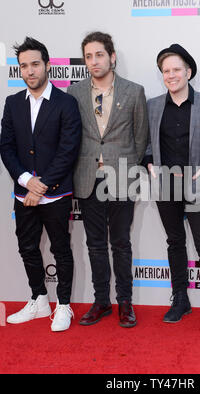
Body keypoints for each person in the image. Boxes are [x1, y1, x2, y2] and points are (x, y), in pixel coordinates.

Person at [0, 37, 82, 332]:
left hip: (56, 193)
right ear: (19, 70)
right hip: (24, 193)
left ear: (47, 66)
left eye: (35, 64)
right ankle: (38, 299)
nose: (30, 70)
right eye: (24, 66)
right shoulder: (12, 103)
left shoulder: (67, 103)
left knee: (61, 249)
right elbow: (6, 147)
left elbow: (68, 150)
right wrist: (26, 181)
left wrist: (42, 185)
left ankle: (63, 306)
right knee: (26, 247)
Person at [67, 32, 148, 328]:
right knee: (95, 244)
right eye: (88, 57)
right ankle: (101, 301)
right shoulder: (74, 92)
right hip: (88, 177)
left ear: (112, 57)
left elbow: (140, 140)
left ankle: (124, 302)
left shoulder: (133, 91)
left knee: (122, 243)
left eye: (99, 55)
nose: (94, 61)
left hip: (122, 176)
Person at [144, 44, 200, 333]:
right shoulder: (152, 105)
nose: (171, 75)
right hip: (166, 187)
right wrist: (150, 164)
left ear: (188, 72)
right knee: (175, 242)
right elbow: (146, 143)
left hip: (199, 187)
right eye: (166, 71)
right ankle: (180, 298)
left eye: (176, 69)